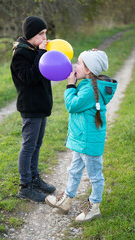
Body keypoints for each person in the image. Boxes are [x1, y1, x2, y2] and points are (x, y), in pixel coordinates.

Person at [45, 50, 117, 221]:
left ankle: (94, 207)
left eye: (79, 63)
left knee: (95, 176)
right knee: (74, 170)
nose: (75, 66)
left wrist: (70, 85)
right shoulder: (88, 85)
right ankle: (66, 200)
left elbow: (72, 105)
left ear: (89, 70)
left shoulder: (91, 90)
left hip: (88, 141)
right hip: (81, 138)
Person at [10, 16, 56, 203]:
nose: (45, 37)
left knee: (37, 144)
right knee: (28, 146)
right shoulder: (21, 54)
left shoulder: (36, 50)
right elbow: (29, 77)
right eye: (41, 34)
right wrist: (41, 54)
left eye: (45, 33)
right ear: (30, 35)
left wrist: (46, 53)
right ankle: (25, 186)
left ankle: (34, 177)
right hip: (30, 107)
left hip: (41, 105)